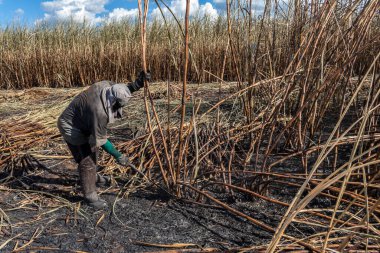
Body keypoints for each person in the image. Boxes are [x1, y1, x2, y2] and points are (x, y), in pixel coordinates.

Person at [57, 71, 150, 209]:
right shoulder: (99, 113)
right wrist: (119, 156)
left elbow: (122, 89)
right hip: (71, 126)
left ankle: (94, 177)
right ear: (113, 102)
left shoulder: (106, 86)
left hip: (83, 121)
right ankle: (90, 196)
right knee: (86, 160)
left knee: (93, 150)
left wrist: (137, 84)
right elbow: (102, 140)